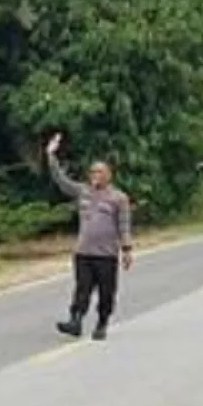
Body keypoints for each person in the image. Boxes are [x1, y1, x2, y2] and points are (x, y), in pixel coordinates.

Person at [46, 133, 133, 341]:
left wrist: (127, 250)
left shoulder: (118, 198)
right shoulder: (82, 192)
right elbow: (61, 180)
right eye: (92, 171)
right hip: (84, 252)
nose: (95, 174)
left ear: (108, 175)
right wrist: (51, 156)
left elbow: (124, 225)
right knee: (82, 289)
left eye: (99, 171)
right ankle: (75, 320)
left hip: (106, 255)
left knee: (106, 293)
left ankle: (102, 323)